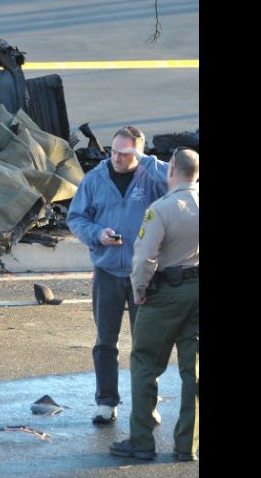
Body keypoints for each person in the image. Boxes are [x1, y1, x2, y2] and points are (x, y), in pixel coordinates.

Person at [66, 125, 169, 424]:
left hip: (144, 272)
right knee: (105, 341)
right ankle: (106, 402)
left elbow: (181, 182)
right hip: (107, 271)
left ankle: (146, 403)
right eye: (114, 152)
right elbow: (76, 218)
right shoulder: (95, 178)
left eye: (125, 153)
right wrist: (98, 234)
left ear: (138, 152)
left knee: (146, 343)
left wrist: (146, 161)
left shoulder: (152, 175)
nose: (118, 158)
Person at [110, 148, 199, 461]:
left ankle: (142, 440)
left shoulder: (161, 208)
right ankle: (188, 445)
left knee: (146, 362)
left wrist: (139, 289)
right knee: (195, 371)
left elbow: (145, 255)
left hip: (165, 292)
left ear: (172, 169)